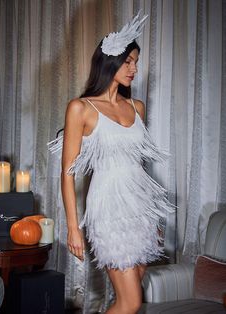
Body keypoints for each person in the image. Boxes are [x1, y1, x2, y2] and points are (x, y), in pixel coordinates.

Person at [49, 12, 175, 314]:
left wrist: (152, 218)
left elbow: (138, 166)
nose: (134, 68)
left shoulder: (137, 107)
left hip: (139, 210)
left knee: (127, 297)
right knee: (131, 303)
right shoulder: (80, 108)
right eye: (128, 61)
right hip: (109, 211)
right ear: (111, 61)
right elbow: (68, 174)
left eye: (136, 62)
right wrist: (73, 228)